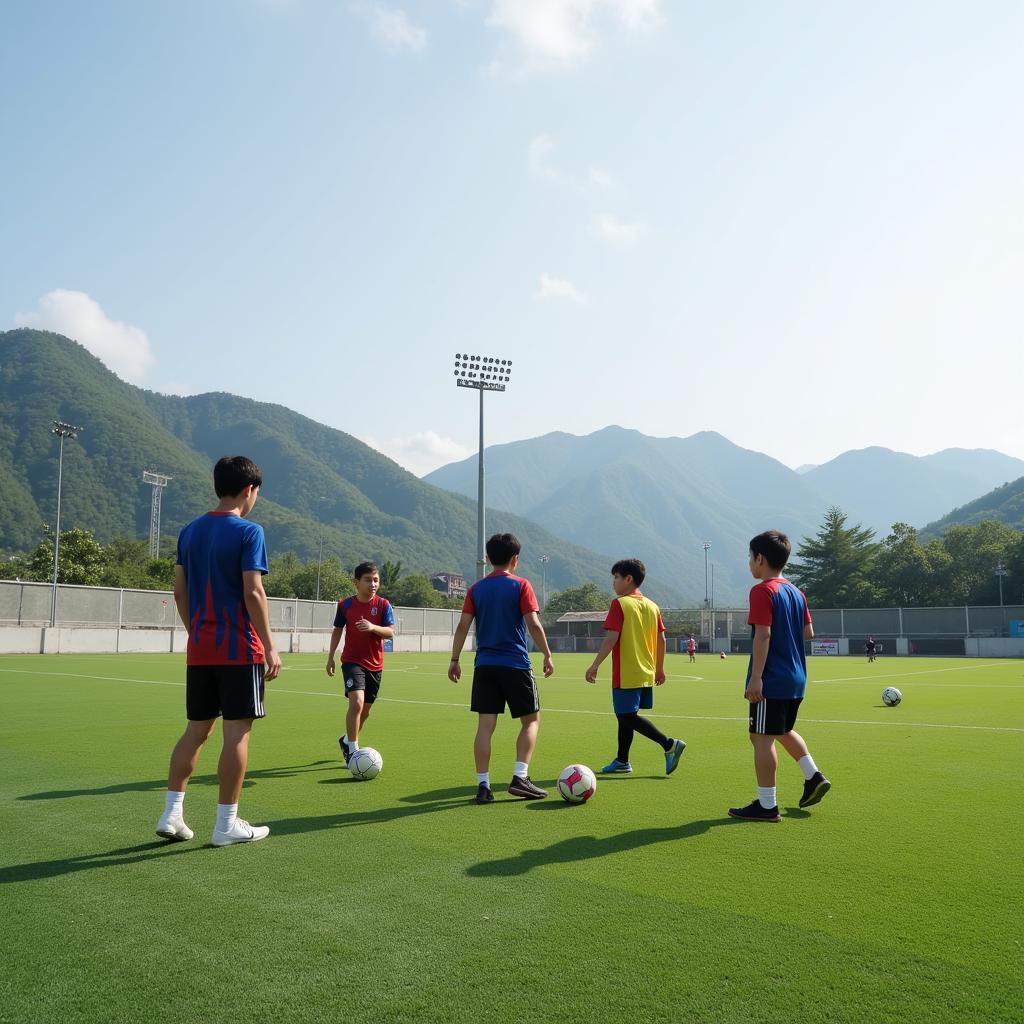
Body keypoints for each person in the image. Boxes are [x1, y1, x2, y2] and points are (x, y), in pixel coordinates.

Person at [156, 456, 281, 847]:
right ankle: (226, 823)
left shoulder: (189, 532)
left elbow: (179, 591)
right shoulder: (249, 532)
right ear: (249, 490)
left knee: (195, 732)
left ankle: (172, 813)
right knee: (237, 735)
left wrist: (196, 631)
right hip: (239, 649)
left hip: (201, 650)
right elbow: (253, 591)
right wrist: (271, 647)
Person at [728, 530, 830, 822]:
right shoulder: (797, 592)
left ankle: (767, 805)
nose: (749, 563)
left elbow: (763, 635)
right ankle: (813, 775)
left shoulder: (762, 590)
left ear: (760, 559)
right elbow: (807, 633)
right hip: (796, 677)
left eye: (750, 557)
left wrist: (756, 677)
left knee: (761, 738)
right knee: (780, 730)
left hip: (771, 678)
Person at [449, 533, 554, 803]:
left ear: (487, 558)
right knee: (531, 720)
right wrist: (547, 653)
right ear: (515, 559)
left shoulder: (476, 589)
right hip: (516, 664)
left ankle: (483, 786)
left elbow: (463, 626)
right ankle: (520, 777)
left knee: (485, 726)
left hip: (485, 665)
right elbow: (533, 624)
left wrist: (455, 659)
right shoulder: (521, 585)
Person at [585, 558, 686, 776]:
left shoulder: (619, 604)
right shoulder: (653, 605)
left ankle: (669, 744)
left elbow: (612, 637)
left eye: (616, 577)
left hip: (627, 671)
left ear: (628, 579)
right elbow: (662, 640)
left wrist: (595, 665)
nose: (613, 582)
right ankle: (622, 760)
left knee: (627, 717)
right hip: (646, 671)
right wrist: (659, 668)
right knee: (626, 716)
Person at [326, 561, 396, 766]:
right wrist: (330, 656)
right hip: (352, 661)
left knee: (366, 711)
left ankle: (347, 740)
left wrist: (373, 627)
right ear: (356, 582)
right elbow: (337, 630)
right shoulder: (345, 605)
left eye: (376, 580)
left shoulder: (383, 605)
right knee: (356, 702)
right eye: (368, 580)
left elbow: (390, 632)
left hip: (375, 665)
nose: (373, 584)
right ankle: (354, 752)